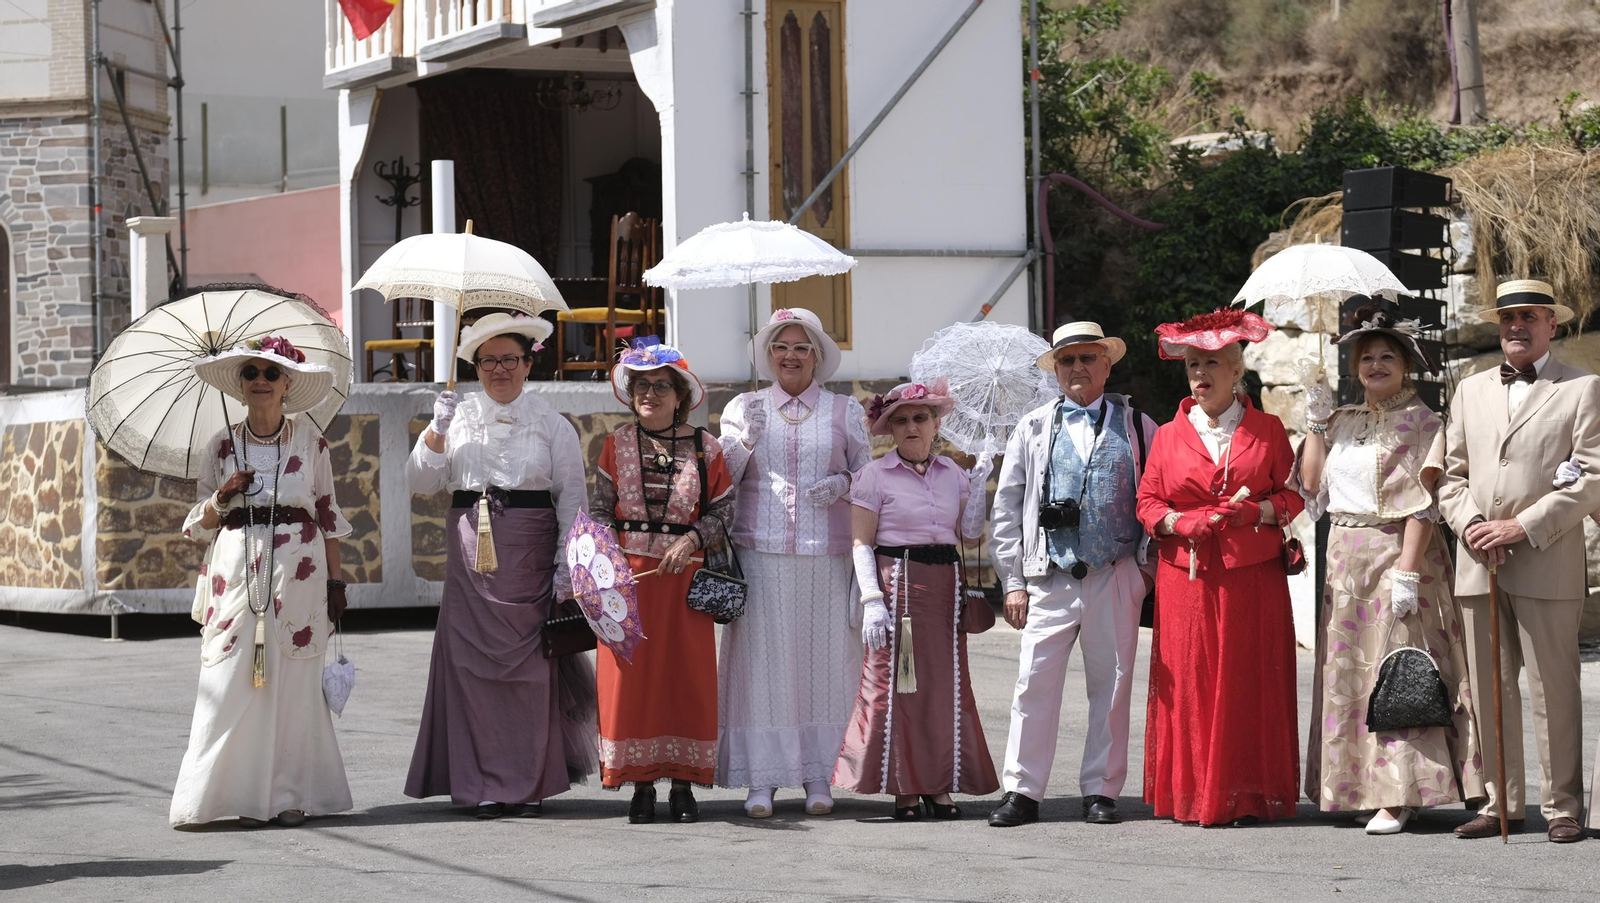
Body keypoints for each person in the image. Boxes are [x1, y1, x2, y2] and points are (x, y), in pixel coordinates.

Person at [1293, 306, 1484, 835]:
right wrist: (1314, 421)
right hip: (1344, 559)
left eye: (1386, 356)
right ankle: (1356, 785)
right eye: (1367, 357)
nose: (1376, 365)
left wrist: (1407, 572)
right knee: (1350, 676)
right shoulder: (1343, 421)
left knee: (1399, 670)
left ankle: (1400, 793)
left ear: (1405, 364)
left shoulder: (1423, 421)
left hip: (1398, 556)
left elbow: (1423, 502)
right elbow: (1311, 486)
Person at [404, 313, 596, 820]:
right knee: (472, 672)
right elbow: (421, 482)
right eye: (488, 360)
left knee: (531, 673)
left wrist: (565, 570)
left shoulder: (552, 425)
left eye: (510, 359)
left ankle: (528, 782)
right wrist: (436, 432)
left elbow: (573, 502)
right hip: (471, 562)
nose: (499, 369)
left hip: (530, 561)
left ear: (529, 362)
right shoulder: (457, 416)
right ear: (475, 366)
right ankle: (480, 781)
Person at [1436, 280, 1600, 844]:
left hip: (1547, 557)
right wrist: (1475, 527)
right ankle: (1500, 801)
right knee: (1488, 687)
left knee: (1554, 688)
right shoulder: (1468, 390)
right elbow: (1449, 476)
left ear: (1552, 324)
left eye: (1529, 316)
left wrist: (1522, 526)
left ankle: (1563, 807)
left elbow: (1593, 476)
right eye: (1507, 316)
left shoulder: (1583, 388)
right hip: (1478, 559)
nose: (1516, 326)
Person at [171, 336, 351, 828]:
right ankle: (213, 798)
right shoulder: (221, 446)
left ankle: (289, 795)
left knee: (293, 685)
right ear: (240, 385)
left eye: (271, 374)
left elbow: (328, 516)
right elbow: (194, 525)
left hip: (301, 579)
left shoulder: (312, 442)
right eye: (251, 374)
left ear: (288, 383)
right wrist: (223, 496)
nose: (261, 382)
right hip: (236, 577)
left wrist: (336, 584)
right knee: (228, 681)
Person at [1134, 308, 1304, 827]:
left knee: (1248, 680)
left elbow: (1294, 497)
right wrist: (1176, 525)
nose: (1200, 375)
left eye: (1211, 364)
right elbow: (1146, 502)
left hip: (1253, 576)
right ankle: (1193, 794)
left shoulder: (1268, 429)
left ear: (1237, 371)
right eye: (1192, 366)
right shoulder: (1167, 434)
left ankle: (1247, 793)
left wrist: (1260, 511)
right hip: (1186, 577)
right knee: (1191, 681)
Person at [987, 321, 1159, 828]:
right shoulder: (1034, 426)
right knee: (1033, 684)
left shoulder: (1138, 425)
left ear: (1107, 364)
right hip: (1049, 575)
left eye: (1087, 358)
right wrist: (1013, 581)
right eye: (1067, 361)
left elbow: (1156, 494)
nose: (1077, 368)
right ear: (1056, 371)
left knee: (1113, 685)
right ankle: (1022, 790)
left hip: (1115, 570)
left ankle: (1101, 790)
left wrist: (1143, 573)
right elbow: (1007, 507)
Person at [716, 308, 871, 818]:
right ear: (768, 355)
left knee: (825, 665)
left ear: (817, 356)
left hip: (827, 555)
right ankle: (762, 781)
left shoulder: (844, 411)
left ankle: (818, 776)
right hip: (760, 552)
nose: (790, 355)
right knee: (763, 667)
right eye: (781, 347)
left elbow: (870, 477)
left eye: (802, 347)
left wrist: (845, 484)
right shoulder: (745, 406)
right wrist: (744, 442)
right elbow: (720, 481)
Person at [833, 380, 1000, 819]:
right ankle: (906, 789)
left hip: (946, 588)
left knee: (944, 688)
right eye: (902, 419)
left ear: (935, 424)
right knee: (902, 686)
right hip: (900, 589)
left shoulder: (953, 474)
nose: (911, 426)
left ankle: (940, 786)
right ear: (890, 429)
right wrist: (872, 598)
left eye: (920, 417)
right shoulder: (873, 475)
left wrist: (978, 484)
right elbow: (860, 543)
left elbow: (969, 534)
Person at [591, 338, 734, 824]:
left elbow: (724, 511)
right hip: (627, 585)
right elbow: (597, 514)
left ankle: (684, 788)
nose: (650, 393)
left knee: (684, 679)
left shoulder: (706, 447)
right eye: (642, 386)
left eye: (661, 386)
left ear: (680, 395)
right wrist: (606, 567)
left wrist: (691, 540)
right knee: (632, 683)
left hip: (683, 583)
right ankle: (641, 786)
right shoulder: (614, 445)